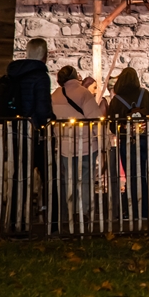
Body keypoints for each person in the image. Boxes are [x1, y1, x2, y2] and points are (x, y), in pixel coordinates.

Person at [6, 38, 55, 225]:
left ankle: (16, 219)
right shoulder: (40, 77)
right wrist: (49, 121)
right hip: (36, 133)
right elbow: (42, 109)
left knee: (20, 177)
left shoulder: (15, 74)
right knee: (50, 175)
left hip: (18, 132)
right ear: (44, 54)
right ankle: (51, 219)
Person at [51, 66, 103, 221]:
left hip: (65, 146)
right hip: (86, 144)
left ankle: (71, 210)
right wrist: (102, 141)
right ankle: (84, 211)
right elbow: (96, 119)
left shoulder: (55, 95)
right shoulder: (84, 93)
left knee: (69, 178)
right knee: (85, 178)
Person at [106, 67, 149, 221]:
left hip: (127, 142)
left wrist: (124, 128)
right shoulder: (145, 94)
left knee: (132, 176)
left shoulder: (117, 100)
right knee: (147, 175)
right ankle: (145, 211)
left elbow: (112, 125)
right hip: (146, 140)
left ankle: (132, 211)